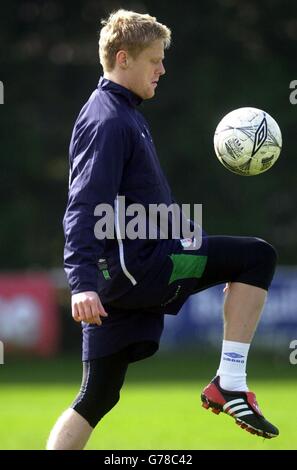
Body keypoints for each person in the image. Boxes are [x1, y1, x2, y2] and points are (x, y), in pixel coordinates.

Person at [46, 9, 279, 450]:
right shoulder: (110, 121)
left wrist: (172, 223)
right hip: (143, 270)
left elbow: (128, 202)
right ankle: (230, 381)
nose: (162, 69)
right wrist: (81, 282)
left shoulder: (121, 112)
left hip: (125, 274)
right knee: (257, 257)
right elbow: (84, 204)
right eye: (154, 60)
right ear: (123, 58)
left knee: (96, 396)